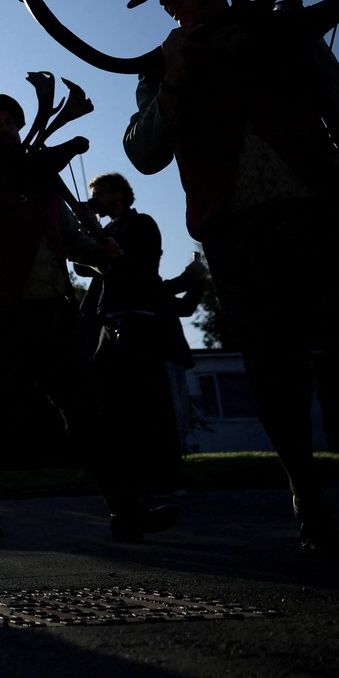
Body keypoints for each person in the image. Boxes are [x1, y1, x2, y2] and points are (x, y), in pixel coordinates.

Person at [124, 0, 339, 555]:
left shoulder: (280, 33)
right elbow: (143, 154)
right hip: (234, 227)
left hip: (320, 209)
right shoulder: (159, 64)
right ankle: (307, 495)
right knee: (274, 366)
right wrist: (170, 83)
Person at [0, 95, 178, 541]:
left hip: (55, 312)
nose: (8, 130)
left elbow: (70, 241)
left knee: (88, 411)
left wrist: (97, 253)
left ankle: (126, 510)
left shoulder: (43, 183)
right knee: (0, 410)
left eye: (13, 122)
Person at [82, 172, 198, 497]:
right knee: (113, 404)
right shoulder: (106, 230)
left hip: (139, 321)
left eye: (101, 194)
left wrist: (95, 238)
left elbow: (136, 268)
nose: (97, 201)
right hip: (110, 323)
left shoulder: (141, 225)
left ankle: (166, 477)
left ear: (119, 194)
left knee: (149, 403)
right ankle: (128, 476)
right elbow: (83, 266)